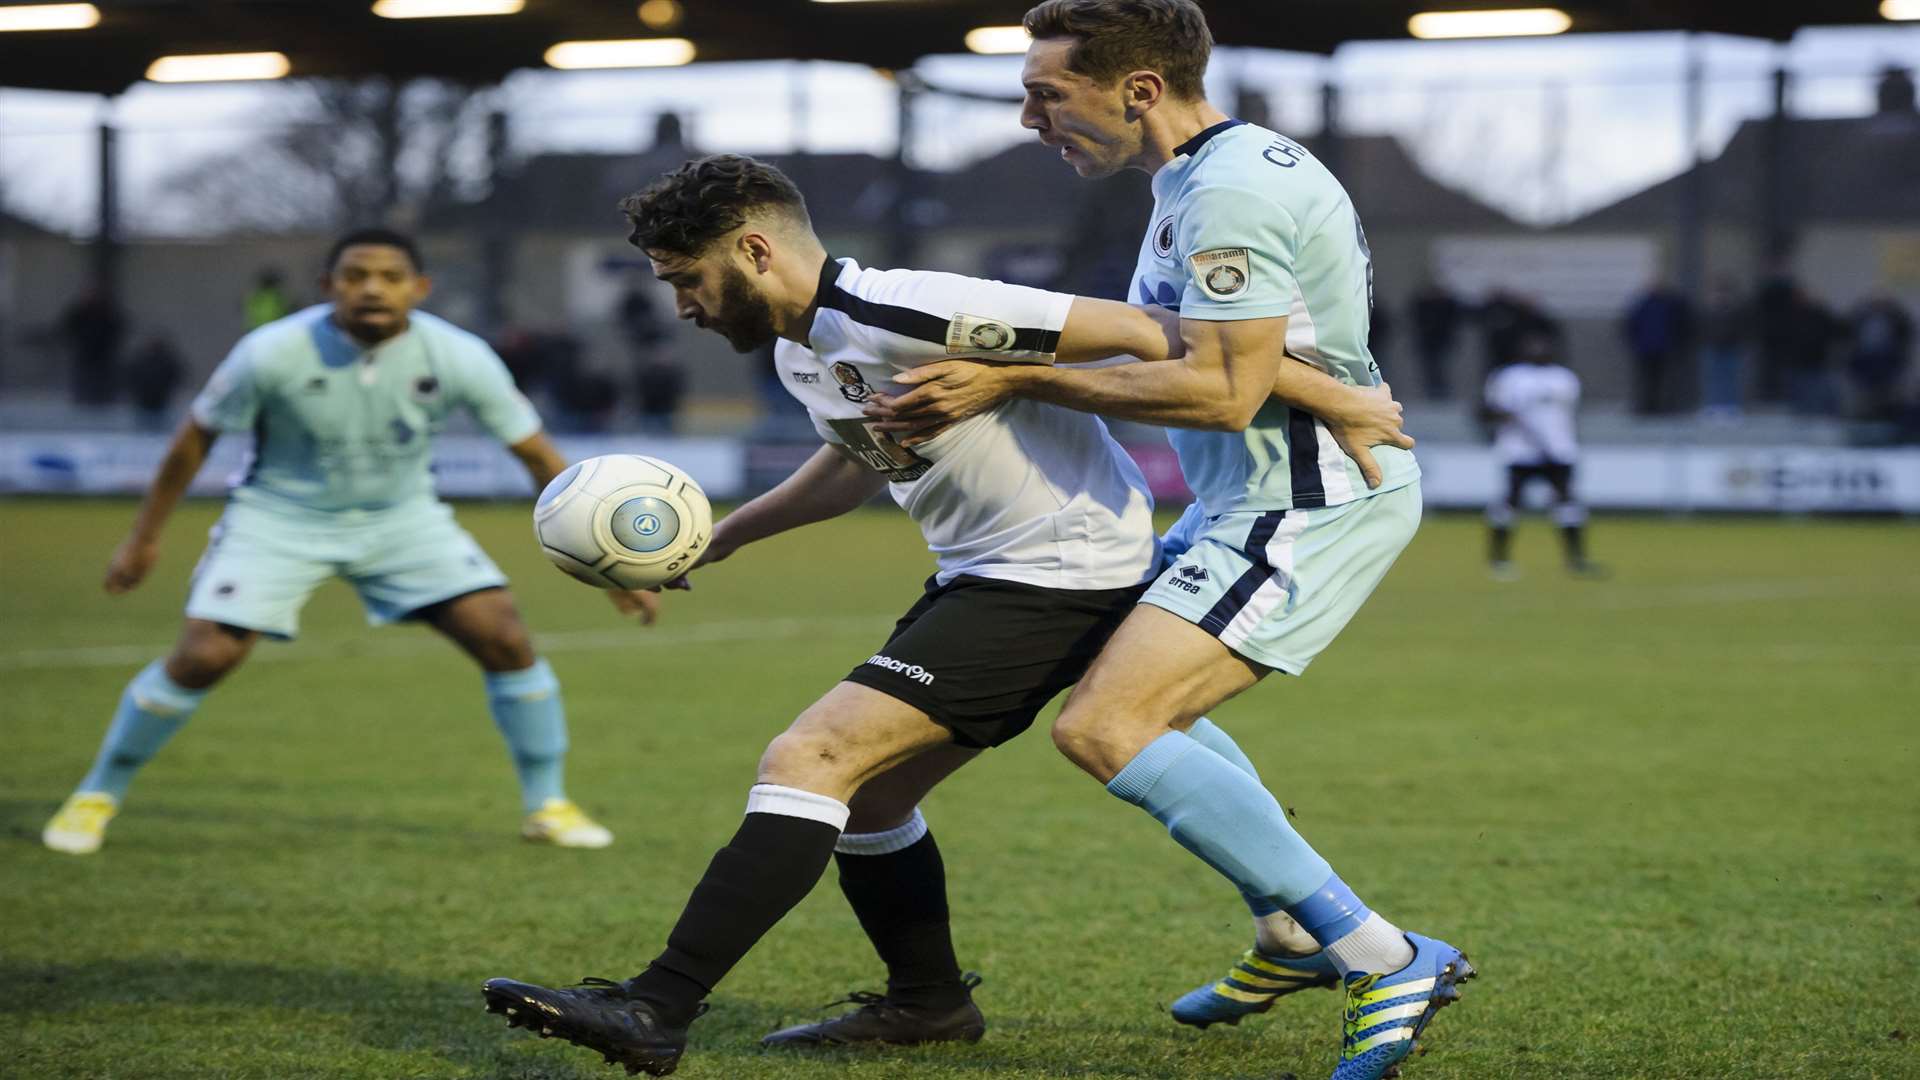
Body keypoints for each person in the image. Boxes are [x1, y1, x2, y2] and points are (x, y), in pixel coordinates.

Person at [478, 154, 1411, 1075]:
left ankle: (655, 1004)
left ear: (755, 250)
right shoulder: (809, 345)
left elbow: (1156, 329)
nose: (680, 303)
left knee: (813, 759)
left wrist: (1336, 396)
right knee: (873, 796)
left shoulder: (908, 309)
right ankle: (928, 1004)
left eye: (687, 278)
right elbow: (853, 465)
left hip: (1058, 575)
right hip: (986, 574)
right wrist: (723, 538)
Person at [864, 4, 1472, 1078]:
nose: (1028, 117)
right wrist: (1328, 382)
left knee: (1106, 725)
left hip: (1306, 502)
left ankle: (1381, 953)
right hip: (1249, 496)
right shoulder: (1199, 177)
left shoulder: (1230, 189)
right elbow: (1213, 342)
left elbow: (1219, 388)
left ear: (1139, 88)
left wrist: (1016, 377)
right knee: (1112, 685)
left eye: (1047, 94)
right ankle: (1288, 929)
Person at [41, 228, 653, 857]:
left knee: (503, 636)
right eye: (355, 276)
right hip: (278, 517)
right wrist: (143, 540)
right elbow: (193, 440)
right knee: (203, 655)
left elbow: (535, 455)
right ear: (328, 286)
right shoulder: (271, 351)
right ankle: (96, 794)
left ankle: (548, 804)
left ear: (420, 288)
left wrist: (612, 564)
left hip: (403, 519)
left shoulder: (460, 355)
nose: (371, 289)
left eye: (390, 276)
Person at [1480, 329, 1604, 580]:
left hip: (1557, 451)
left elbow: (1567, 415)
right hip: (1520, 452)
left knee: (1567, 504)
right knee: (1510, 504)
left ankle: (1576, 559)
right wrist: (1511, 419)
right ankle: (1498, 559)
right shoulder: (1509, 377)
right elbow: (1491, 410)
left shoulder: (1564, 378)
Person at [1621, 279, 1694, 416]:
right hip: (1645, 349)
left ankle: (1666, 406)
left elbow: (1681, 324)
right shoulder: (1642, 305)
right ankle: (1647, 406)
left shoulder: (1670, 304)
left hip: (1665, 349)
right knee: (1647, 380)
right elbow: (1630, 325)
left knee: (1666, 380)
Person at [1845, 291, 1914, 423]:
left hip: (1887, 362)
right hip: (1865, 362)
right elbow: (1850, 335)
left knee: (1886, 395)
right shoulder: (1862, 318)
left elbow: (1905, 335)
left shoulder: (1895, 318)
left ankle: (1884, 418)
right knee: (1864, 395)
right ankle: (1866, 419)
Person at [1697, 277, 1750, 420]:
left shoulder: (1736, 311)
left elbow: (1743, 328)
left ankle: (1731, 407)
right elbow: (1702, 328)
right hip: (1712, 347)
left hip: (1731, 348)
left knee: (1731, 379)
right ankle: (1713, 406)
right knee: (1712, 378)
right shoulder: (1708, 310)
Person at [1410, 280, 1463, 402]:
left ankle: (1441, 391)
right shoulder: (1422, 305)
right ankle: (1433, 391)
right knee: (1430, 367)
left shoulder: (1448, 305)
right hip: (1427, 342)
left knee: (1442, 366)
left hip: (1443, 340)